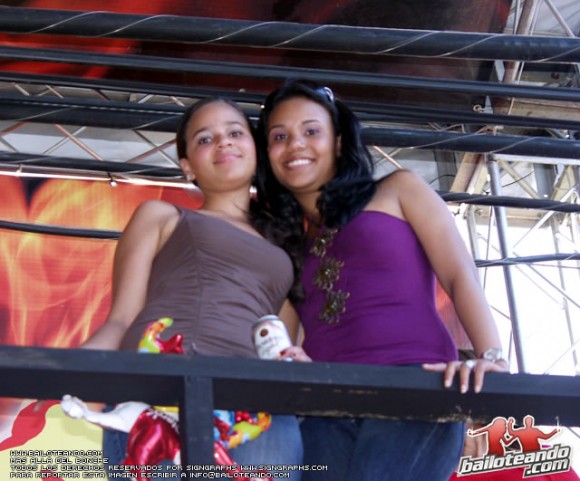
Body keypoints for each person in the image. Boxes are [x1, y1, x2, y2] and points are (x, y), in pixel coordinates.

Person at [255, 79, 509, 481]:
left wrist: (492, 357)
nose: (296, 144)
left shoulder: (398, 189)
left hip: (417, 388)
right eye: (279, 136)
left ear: (339, 142)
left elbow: (459, 273)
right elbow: (278, 340)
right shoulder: (285, 244)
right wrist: (288, 364)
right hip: (324, 407)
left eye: (311, 131)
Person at [81, 97, 303, 479]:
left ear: (256, 148)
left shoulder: (289, 249)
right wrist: (65, 369)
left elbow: (283, 344)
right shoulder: (162, 215)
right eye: (205, 139)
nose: (224, 142)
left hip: (258, 407)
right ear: (187, 166)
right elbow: (121, 318)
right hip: (162, 391)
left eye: (235, 133)